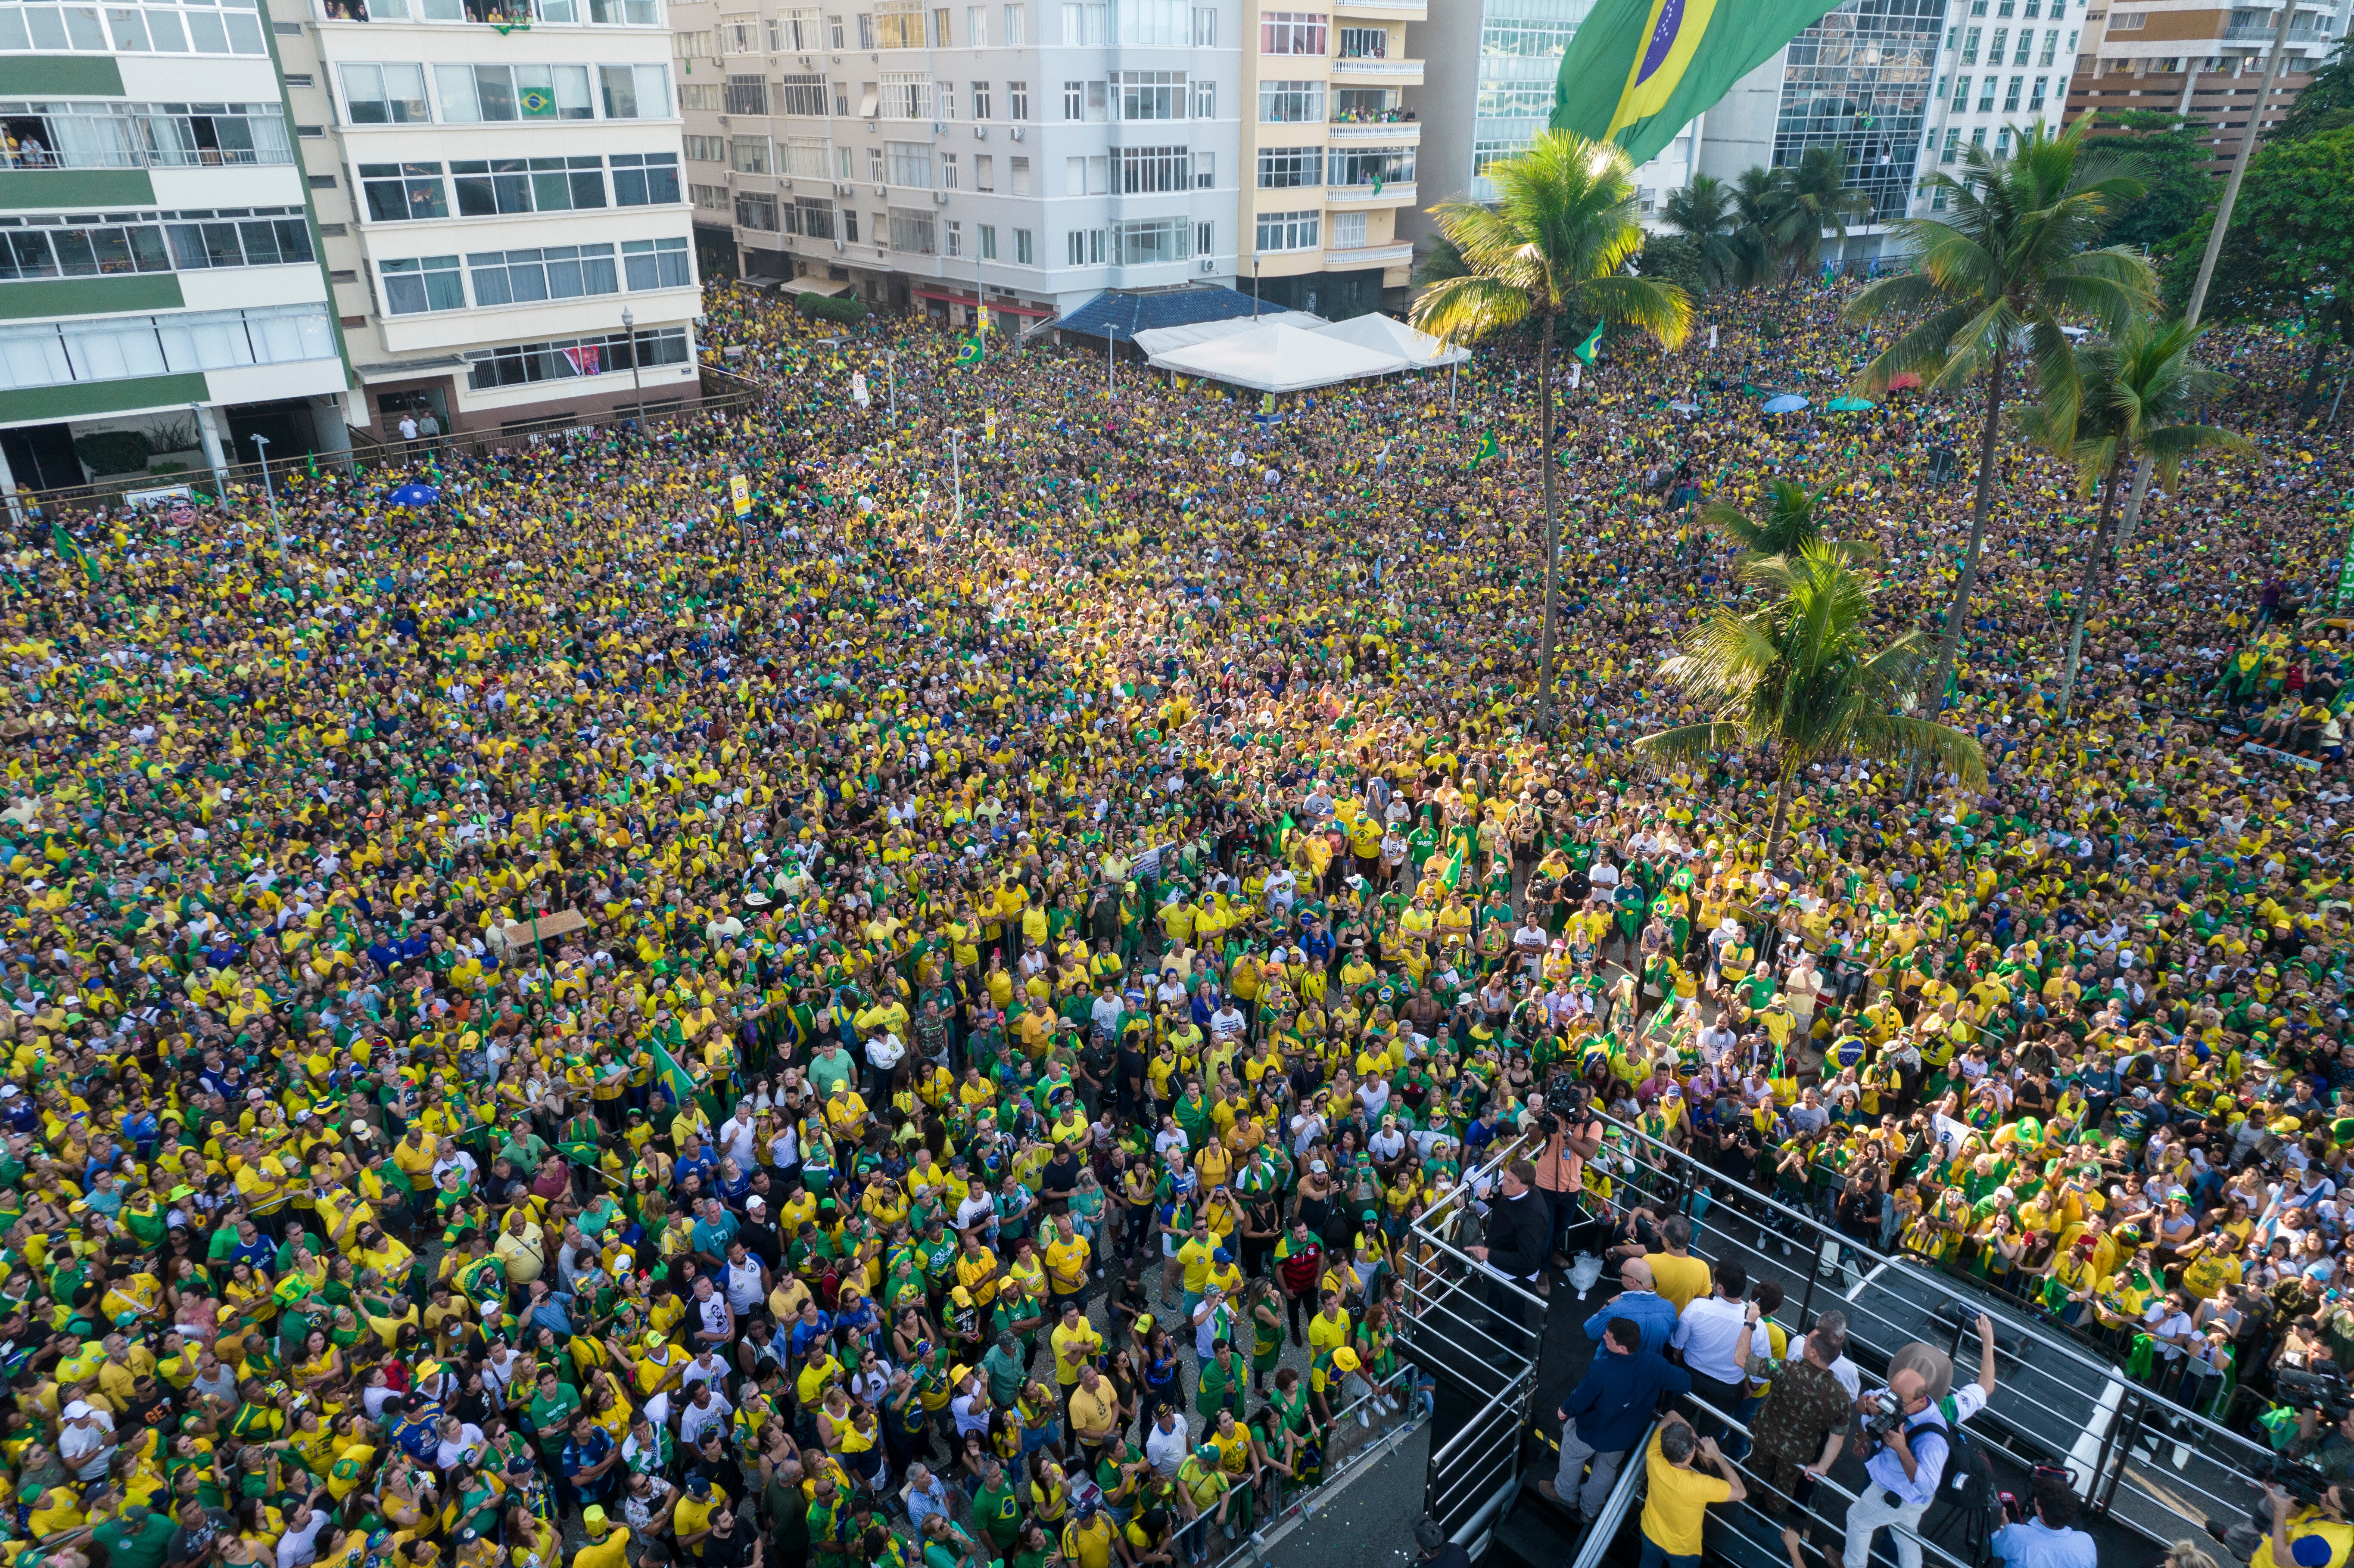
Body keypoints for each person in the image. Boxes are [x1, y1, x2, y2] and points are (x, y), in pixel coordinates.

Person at [1540, 1315, 1691, 1524]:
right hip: (1623, 1437)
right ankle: (1589, 1510)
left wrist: (1564, 1410)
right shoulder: (1654, 1364)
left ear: (1621, 1348)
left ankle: (1566, 1494)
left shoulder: (1600, 1371)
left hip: (1590, 1432)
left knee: (1572, 1456)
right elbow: (1684, 1383)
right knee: (1606, 1470)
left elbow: (1579, 1401)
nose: (1603, 1336)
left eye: (1608, 1337)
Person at [1822, 1365, 1949, 1568]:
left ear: (1921, 1400)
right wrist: (1868, 1403)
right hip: (1911, 1500)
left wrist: (1901, 1449)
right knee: (1906, 1535)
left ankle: (1851, 1566)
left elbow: (1928, 1487)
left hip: (1896, 1493)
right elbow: (1863, 1401)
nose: (1890, 1404)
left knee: (1858, 1520)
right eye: (1890, 1395)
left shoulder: (1932, 1440)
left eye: (1899, 1404)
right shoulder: (1899, 1395)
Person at [1639, 1409, 1743, 1568]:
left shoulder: (1654, 1456)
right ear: (1690, 1456)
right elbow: (1741, 1492)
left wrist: (1695, 1443)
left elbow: (1671, 1415)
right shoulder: (1700, 1486)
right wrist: (1716, 1455)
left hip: (1649, 1532)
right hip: (1682, 1551)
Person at [1463, 1159, 1551, 1331]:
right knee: (1495, 1298)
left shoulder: (1532, 1217)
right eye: (1505, 1177)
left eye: (1510, 1181)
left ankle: (1516, 1353)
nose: (1503, 1184)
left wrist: (1489, 1255)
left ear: (1524, 1187)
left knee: (1514, 1314)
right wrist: (1489, 1197)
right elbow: (1504, 1205)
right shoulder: (1514, 1191)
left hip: (1517, 1274)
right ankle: (1496, 1324)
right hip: (1500, 1259)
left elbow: (1527, 1260)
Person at [1990, 1477, 2098, 1568]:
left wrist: (2003, 1526)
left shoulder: (2014, 1534)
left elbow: (1994, 1549)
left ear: (2039, 1510)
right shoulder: (2086, 1543)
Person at [1584, 1258, 1677, 1355]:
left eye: (1622, 1273)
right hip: (1650, 1365)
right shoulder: (1670, 1308)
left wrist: (1609, 1302)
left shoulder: (1616, 1310)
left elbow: (1591, 1331)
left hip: (1615, 1364)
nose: (1620, 1275)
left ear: (1633, 1282)